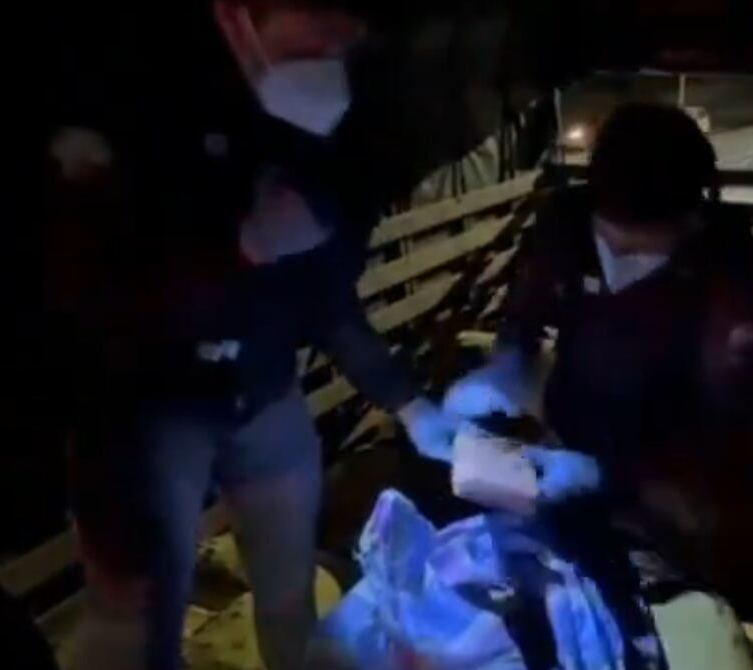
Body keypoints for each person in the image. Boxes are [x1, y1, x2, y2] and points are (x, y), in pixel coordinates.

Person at [46, 2, 458, 669]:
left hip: (264, 393)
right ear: (238, 18)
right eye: (319, 25)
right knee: (136, 623)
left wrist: (409, 405)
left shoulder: (310, 138)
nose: (337, 46)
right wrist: (237, 251)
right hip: (145, 411)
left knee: (289, 593)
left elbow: (326, 298)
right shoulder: (129, 107)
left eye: (348, 38)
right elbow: (82, 293)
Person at [444, 102, 753, 666]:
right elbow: (523, 323)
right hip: (568, 431)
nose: (620, 256)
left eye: (642, 248)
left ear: (690, 219)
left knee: (654, 603)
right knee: (538, 581)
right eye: (611, 239)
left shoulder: (733, 272)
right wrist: (500, 379)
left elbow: (723, 410)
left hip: (669, 463)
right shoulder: (565, 225)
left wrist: (623, 479)